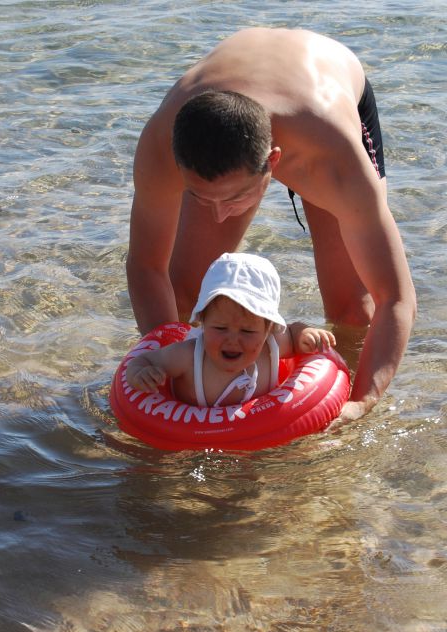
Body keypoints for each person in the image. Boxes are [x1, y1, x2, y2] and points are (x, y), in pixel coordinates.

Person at [126, 27, 416, 422]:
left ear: (273, 162)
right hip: (230, 97)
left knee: (350, 309)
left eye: (234, 198)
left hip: (322, 90)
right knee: (184, 294)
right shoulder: (160, 146)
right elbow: (146, 266)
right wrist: (166, 368)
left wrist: (362, 401)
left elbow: (395, 298)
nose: (219, 215)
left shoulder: (334, 160)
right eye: (198, 196)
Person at [125, 253, 336, 407]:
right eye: (220, 328)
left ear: (268, 329)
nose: (233, 340)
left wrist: (305, 334)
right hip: (191, 440)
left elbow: (292, 332)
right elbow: (145, 360)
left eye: (247, 332)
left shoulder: (272, 347)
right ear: (202, 322)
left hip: (254, 433)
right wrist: (140, 373)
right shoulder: (188, 357)